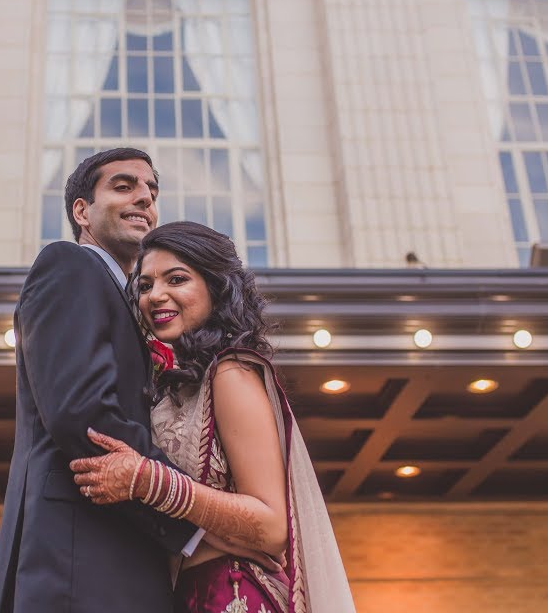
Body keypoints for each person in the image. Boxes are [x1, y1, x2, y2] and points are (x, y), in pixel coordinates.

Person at [69, 221, 357, 613]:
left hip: (232, 594)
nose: (156, 296)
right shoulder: (178, 383)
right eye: (145, 285)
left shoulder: (231, 373)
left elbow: (272, 526)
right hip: (184, 594)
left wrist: (150, 481)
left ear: (216, 287)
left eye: (176, 279)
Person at [0, 148, 203, 612]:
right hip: (77, 561)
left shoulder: (128, 302)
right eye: (124, 186)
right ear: (82, 211)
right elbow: (85, 415)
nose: (145, 197)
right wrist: (197, 514)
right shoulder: (69, 265)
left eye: (152, 190)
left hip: (117, 553)